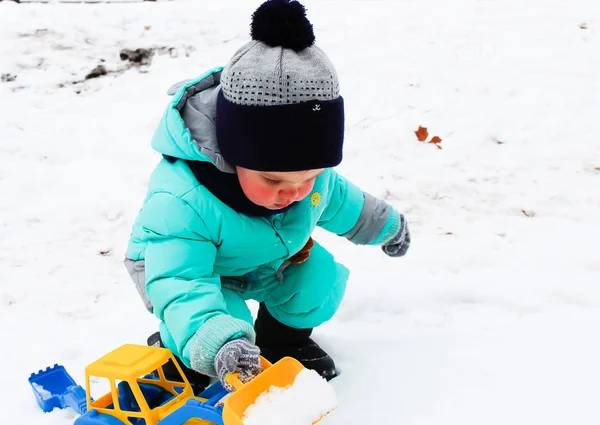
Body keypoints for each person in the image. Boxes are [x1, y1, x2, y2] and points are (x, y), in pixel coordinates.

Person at [124, 0, 410, 392]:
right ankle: (186, 350)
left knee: (317, 277)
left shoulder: (312, 180)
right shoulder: (183, 200)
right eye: (273, 180)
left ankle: (281, 343)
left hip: (261, 260)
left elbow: (341, 200)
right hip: (184, 269)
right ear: (233, 154)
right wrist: (221, 341)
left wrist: (385, 226)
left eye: (308, 176)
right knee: (215, 318)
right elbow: (179, 280)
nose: (293, 192)